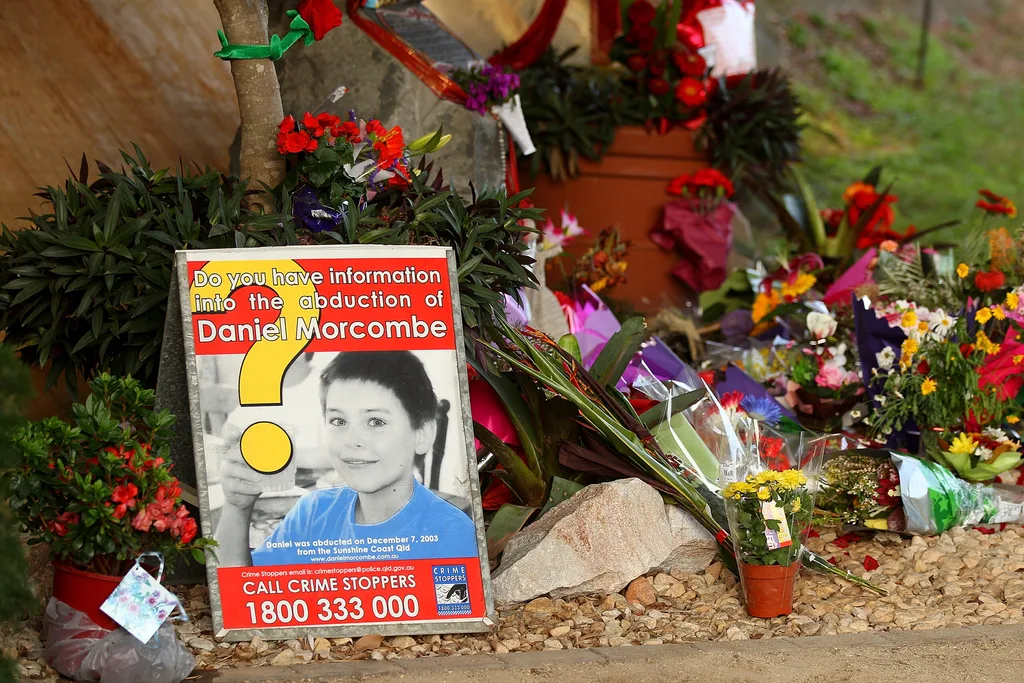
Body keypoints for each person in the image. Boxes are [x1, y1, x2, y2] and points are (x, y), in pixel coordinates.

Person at [214, 350, 479, 567]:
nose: (351, 440)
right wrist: (237, 507)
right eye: (338, 420)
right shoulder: (311, 513)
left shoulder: (451, 532)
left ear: (422, 433)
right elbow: (243, 595)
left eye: (375, 421)